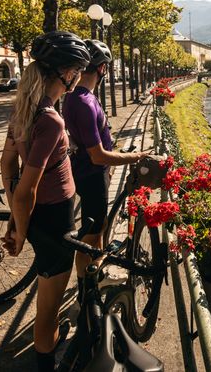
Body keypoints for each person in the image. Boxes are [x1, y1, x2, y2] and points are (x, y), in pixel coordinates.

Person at [0, 31, 91, 372]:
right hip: (54, 217)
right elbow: (27, 188)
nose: (79, 77)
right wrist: (20, 230)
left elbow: (7, 165)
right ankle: (46, 363)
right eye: (78, 70)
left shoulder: (24, 110)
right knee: (48, 306)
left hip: (41, 216)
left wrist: (17, 216)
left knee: (47, 292)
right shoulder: (51, 120)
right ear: (66, 74)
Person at [62, 39, 149, 301]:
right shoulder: (85, 102)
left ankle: (94, 276)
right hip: (91, 175)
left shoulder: (75, 98)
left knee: (97, 229)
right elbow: (97, 155)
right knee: (91, 234)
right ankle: (86, 288)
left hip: (89, 172)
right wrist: (135, 156)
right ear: (102, 69)